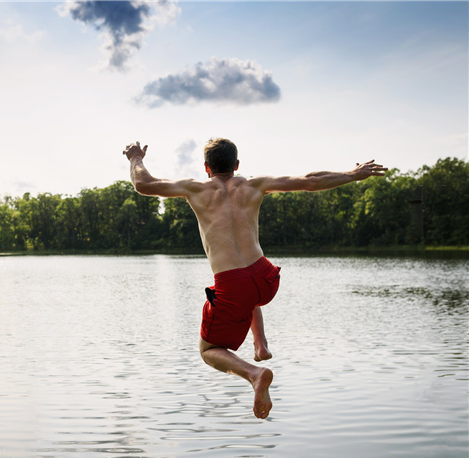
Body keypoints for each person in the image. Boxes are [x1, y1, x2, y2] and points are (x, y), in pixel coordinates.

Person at [123, 138, 387, 419]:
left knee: (209, 350)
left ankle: (254, 373)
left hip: (233, 285)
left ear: (206, 167)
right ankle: (260, 345)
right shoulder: (254, 184)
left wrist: (135, 158)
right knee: (247, 294)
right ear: (237, 166)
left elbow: (144, 185)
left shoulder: (195, 188)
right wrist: (352, 174)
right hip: (265, 278)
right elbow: (310, 181)